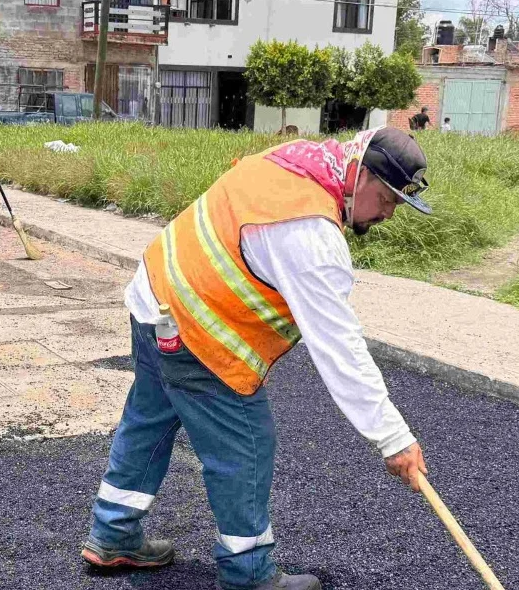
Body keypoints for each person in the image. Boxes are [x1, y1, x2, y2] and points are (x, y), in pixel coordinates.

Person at [82, 127, 432, 590]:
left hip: (153, 296)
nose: (389, 213)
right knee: (245, 445)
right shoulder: (310, 234)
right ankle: (248, 573)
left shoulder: (294, 162)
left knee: (149, 419)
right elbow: (338, 348)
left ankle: (112, 534)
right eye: (387, 198)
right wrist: (393, 439)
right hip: (197, 331)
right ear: (361, 174)